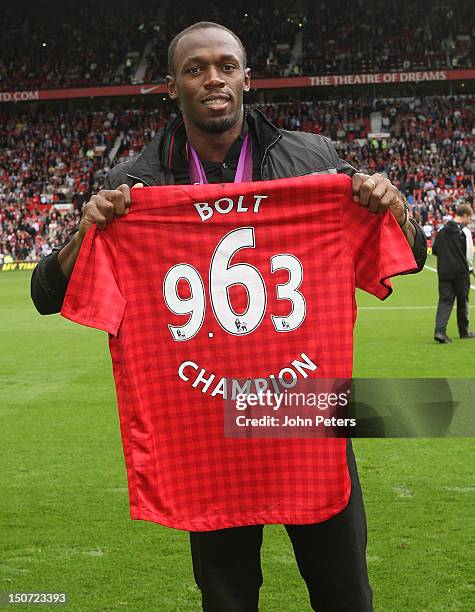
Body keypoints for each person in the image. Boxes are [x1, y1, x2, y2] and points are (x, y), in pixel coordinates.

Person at [31, 22, 427, 612]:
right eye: (195, 69)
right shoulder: (136, 182)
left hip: (307, 411)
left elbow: (410, 255)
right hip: (205, 423)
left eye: (225, 65)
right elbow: (47, 292)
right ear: (172, 85)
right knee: (228, 599)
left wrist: (394, 207)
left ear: (248, 77)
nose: (212, 78)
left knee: (344, 592)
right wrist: (89, 231)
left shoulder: (312, 159)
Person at [433, 203, 475, 343]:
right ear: (464, 216)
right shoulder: (464, 232)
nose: (470, 221)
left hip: (444, 272)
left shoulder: (442, 230)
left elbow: (435, 250)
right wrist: (469, 268)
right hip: (461, 273)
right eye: (469, 218)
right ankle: (464, 331)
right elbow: (468, 254)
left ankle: (440, 331)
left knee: (445, 301)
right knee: (463, 302)